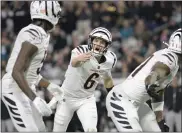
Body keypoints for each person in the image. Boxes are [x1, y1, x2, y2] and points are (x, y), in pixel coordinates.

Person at [1, 1, 64, 132]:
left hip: (24, 87)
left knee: (41, 129)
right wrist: (35, 99)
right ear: (49, 12)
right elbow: (16, 72)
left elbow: (29, 74)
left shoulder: (42, 34)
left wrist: (50, 85)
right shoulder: (33, 33)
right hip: (13, 89)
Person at [106, 28, 181, 132]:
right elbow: (154, 76)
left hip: (139, 103)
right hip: (122, 100)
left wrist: (160, 120)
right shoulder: (170, 60)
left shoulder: (171, 59)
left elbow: (157, 91)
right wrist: (151, 80)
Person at [51, 27, 117, 132]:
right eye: (96, 40)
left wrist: (114, 95)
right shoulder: (81, 51)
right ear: (91, 41)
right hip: (67, 98)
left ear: (107, 45)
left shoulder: (109, 60)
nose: (98, 44)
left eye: (102, 42)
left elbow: (107, 79)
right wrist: (78, 59)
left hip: (86, 99)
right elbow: (74, 63)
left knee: (91, 130)